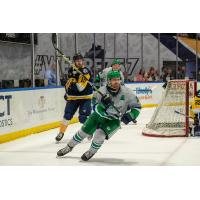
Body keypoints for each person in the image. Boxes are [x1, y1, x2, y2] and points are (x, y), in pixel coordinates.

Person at [57, 70, 141, 161]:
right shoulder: (102, 90)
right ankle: (68, 147)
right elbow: (94, 103)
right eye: (113, 80)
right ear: (109, 80)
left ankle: (91, 152)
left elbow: (137, 107)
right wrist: (103, 106)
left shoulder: (127, 92)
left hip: (113, 119)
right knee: (83, 132)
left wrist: (130, 116)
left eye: (118, 79)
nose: (116, 82)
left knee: (99, 135)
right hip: (97, 116)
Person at [55, 53, 93, 142]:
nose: (79, 62)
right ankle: (61, 132)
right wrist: (67, 92)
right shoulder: (71, 70)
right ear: (74, 62)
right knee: (67, 115)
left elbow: (80, 88)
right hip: (73, 97)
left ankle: (89, 131)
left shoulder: (86, 71)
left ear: (83, 61)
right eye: (77, 61)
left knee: (83, 117)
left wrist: (74, 82)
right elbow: (69, 83)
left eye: (80, 60)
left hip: (85, 97)